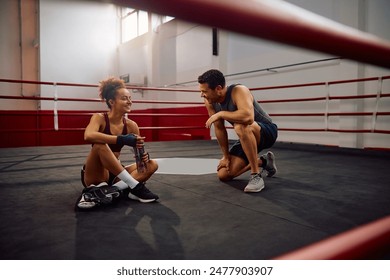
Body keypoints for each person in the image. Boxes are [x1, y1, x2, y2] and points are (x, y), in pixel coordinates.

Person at [77, 77, 159, 209]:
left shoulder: (132, 125)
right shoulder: (99, 118)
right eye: (124, 98)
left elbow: (139, 155)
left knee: (152, 164)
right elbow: (88, 135)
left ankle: (111, 190)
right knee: (100, 144)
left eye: (130, 98)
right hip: (97, 173)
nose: (129, 101)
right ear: (111, 101)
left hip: (117, 173)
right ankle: (133, 187)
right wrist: (121, 139)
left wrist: (144, 157)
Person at [198, 69, 278, 192]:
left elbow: (248, 117)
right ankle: (263, 161)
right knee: (224, 174)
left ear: (218, 88)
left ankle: (256, 176)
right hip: (246, 135)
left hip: (267, 132)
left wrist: (222, 114)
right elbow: (219, 128)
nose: (202, 95)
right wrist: (225, 157)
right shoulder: (210, 101)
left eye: (204, 91)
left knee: (240, 125)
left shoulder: (239, 90)